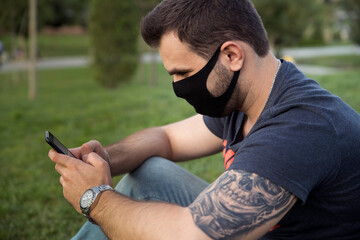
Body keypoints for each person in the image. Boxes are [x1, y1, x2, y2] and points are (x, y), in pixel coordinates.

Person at [48, 0, 360, 239]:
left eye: (184, 73)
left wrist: (96, 199)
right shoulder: (251, 97)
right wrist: (104, 159)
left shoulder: (300, 128)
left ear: (231, 56)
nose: (178, 86)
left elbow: (194, 235)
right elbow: (168, 139)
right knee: (151, 173)